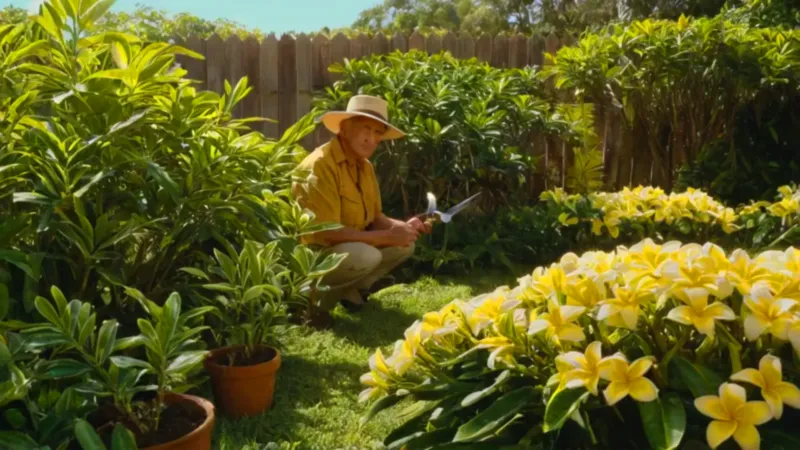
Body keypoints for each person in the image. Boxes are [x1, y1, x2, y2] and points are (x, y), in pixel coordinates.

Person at [291, 95, 432, 319]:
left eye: (378, 133)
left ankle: (349, 292)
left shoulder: (365, 166)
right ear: (345, 129)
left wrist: (405, 227)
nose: (372, 139)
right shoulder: (319, 166)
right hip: (314, 256)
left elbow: (376, 218)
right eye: (366, 129)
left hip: (348, 248)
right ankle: (312, 307)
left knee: (405, 243)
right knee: (366, 256)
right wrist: (387, 236)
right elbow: (327, 233)